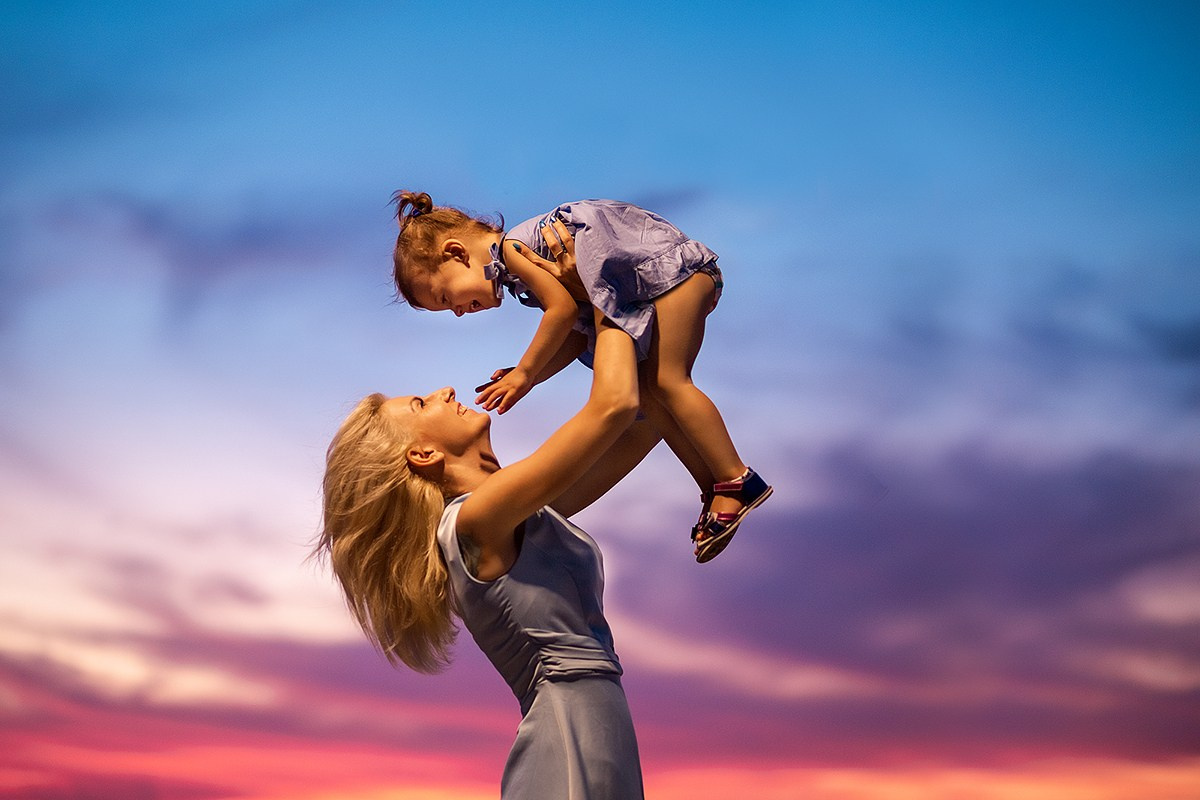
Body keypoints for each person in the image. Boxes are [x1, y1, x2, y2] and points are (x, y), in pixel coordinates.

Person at [315, 228, 660, 797]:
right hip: (568, 734)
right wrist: (601, 292)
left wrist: (657, 306)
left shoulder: (520, 512)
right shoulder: (475, 522)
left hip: (598, 729)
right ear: (422, 455)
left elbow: (644, 420)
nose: (445, 389)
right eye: (422, 403)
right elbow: (614, 405)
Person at [390, 192, 771, 562]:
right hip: (656, 286)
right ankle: (717, 490)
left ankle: (736, 477)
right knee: (653, 396)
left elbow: (562, 311)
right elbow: (576, 333)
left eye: (445, 298)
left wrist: (525, 371)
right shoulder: (519, 267)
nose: (458, 312)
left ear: (456, 253)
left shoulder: (515, 250)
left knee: (669, 382)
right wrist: (531, 375)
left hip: (668, 274)